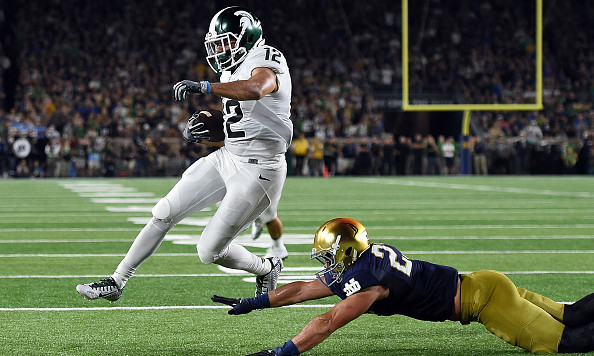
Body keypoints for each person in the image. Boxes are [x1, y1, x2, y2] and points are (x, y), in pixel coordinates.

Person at [76, 6, 292, 301]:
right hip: (230, 156)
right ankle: (118, 280)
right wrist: (205, 127)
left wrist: (205, 86)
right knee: (164, 212)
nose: (220, 50)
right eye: (217, 44)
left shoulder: (265, 58)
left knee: (208, 252)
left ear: (247, 38)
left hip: (259, 170)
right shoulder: (232, 67)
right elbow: (241, 119)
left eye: (226, 42)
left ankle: (266, 268)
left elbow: (256, 89)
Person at [212, 218, 594, 355]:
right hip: (483, 283)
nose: (327, 265)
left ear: (346, 250)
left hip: (486, 301)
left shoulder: (371, 282)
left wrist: (284, 352)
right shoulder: (366, 260)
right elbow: (301, 290)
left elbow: (328, 321)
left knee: (564, 342)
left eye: (330, 255)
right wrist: (256, 301)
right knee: (573, 314)